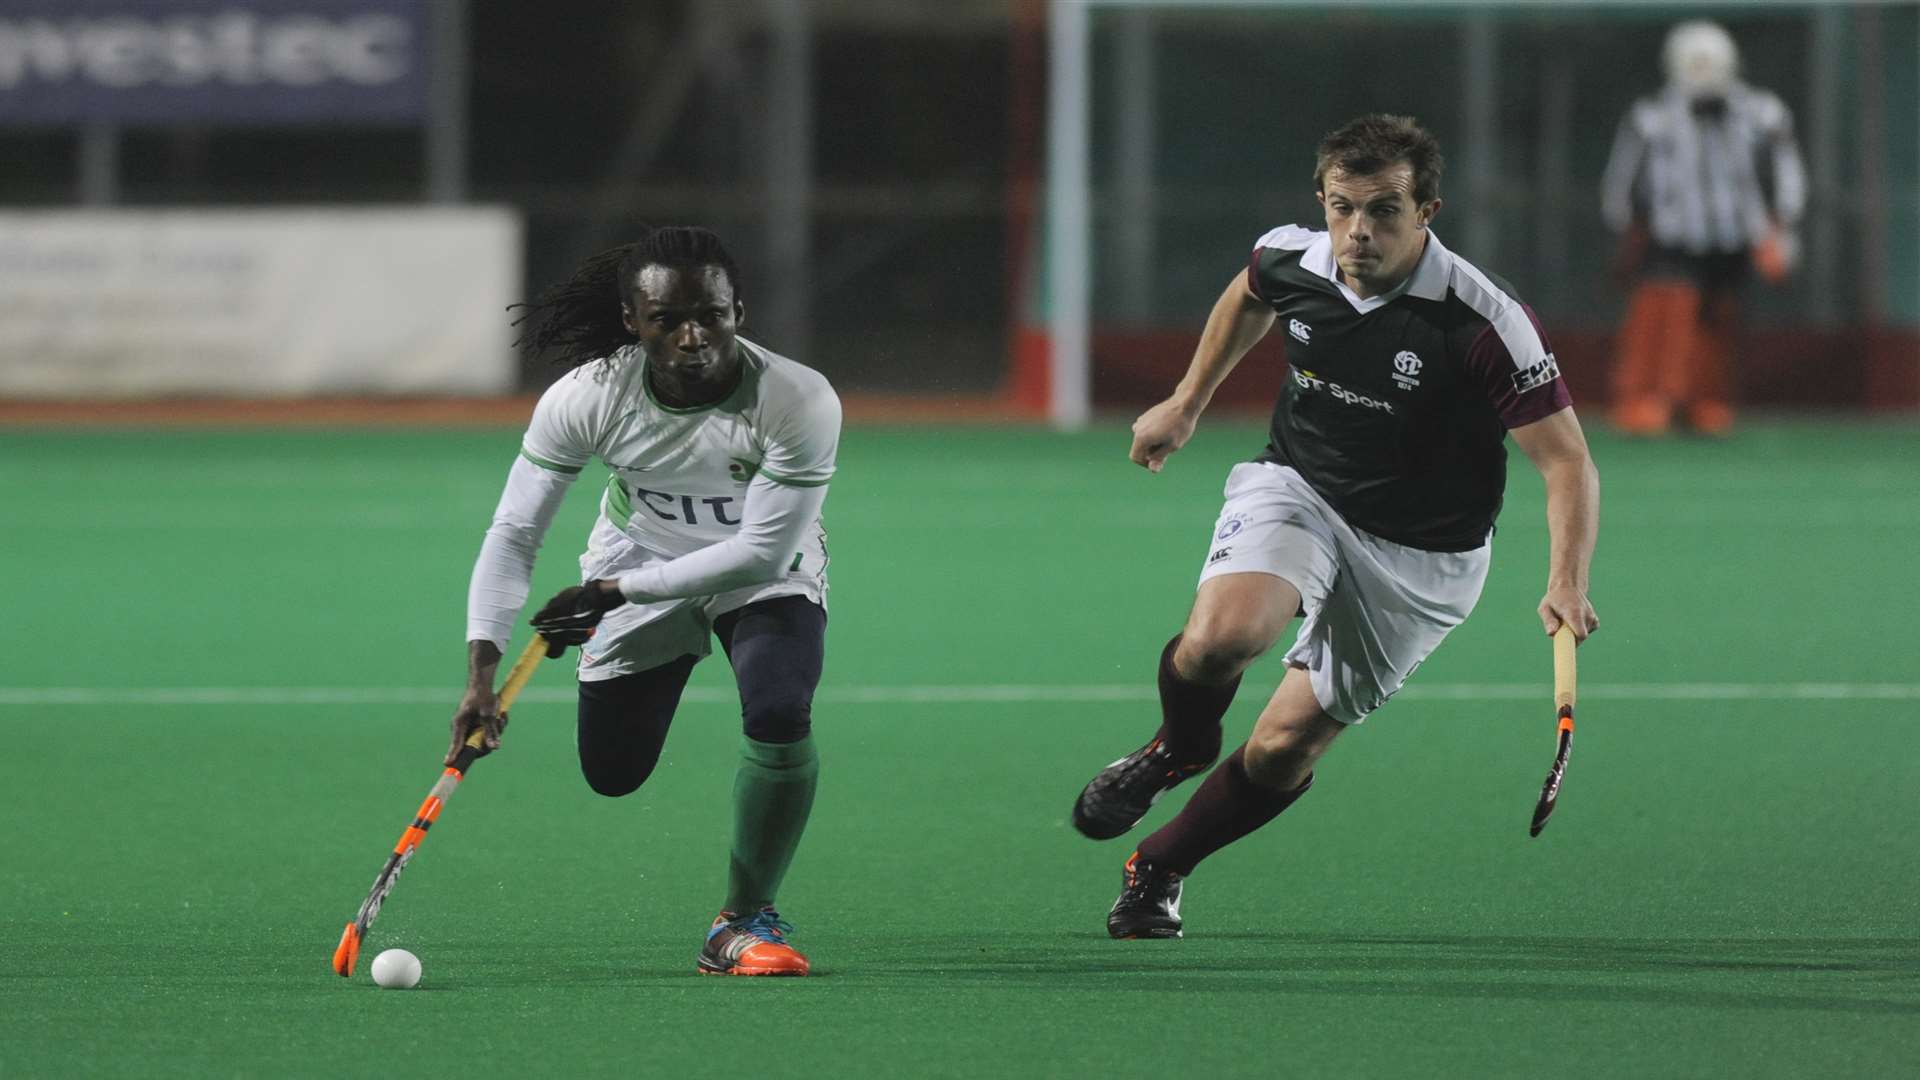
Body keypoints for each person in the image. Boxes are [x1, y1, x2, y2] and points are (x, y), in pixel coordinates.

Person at [1070, 114, 1600, 939]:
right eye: (1343, 207)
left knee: (1285, 745)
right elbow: (1249, 292)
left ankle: (1159, 866)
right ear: (1321, 200)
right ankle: (1178, 745)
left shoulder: (1483, 322)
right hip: (1303, 488)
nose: (1360, 231)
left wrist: (1566, 577)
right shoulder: (1293, 257)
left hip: (1423, 557)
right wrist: (1186, 402)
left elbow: (1566, 461)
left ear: (1428, 209)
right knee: (1219, 640)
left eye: (1385, 210)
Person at [449, 226, 841, 976]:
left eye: (712, 315)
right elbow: (514, 533)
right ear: (633, 320)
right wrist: (480, 675)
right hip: (638, 554)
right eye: (667, 319)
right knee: (613, 771)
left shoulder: (797, 399)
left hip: (761, 567)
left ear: (739, 311)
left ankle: (743, 918)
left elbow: (761, 551)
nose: (693, 336)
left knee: (780, 706)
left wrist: (608, 594)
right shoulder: (589, 395)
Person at [1600, 19, 1806, 436]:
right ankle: (1645, 398)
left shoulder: (1762, 113)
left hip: (1732, 237)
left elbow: (1786, 173)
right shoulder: (1651, 117)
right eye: (1694, 63)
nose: (1703, 72)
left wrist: (1777, 227)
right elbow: (1624, 180)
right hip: (1670, 237)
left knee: (1718, 322)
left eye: (1710, 62)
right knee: (1661, 317)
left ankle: (1705, 401)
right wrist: (1628, 227)